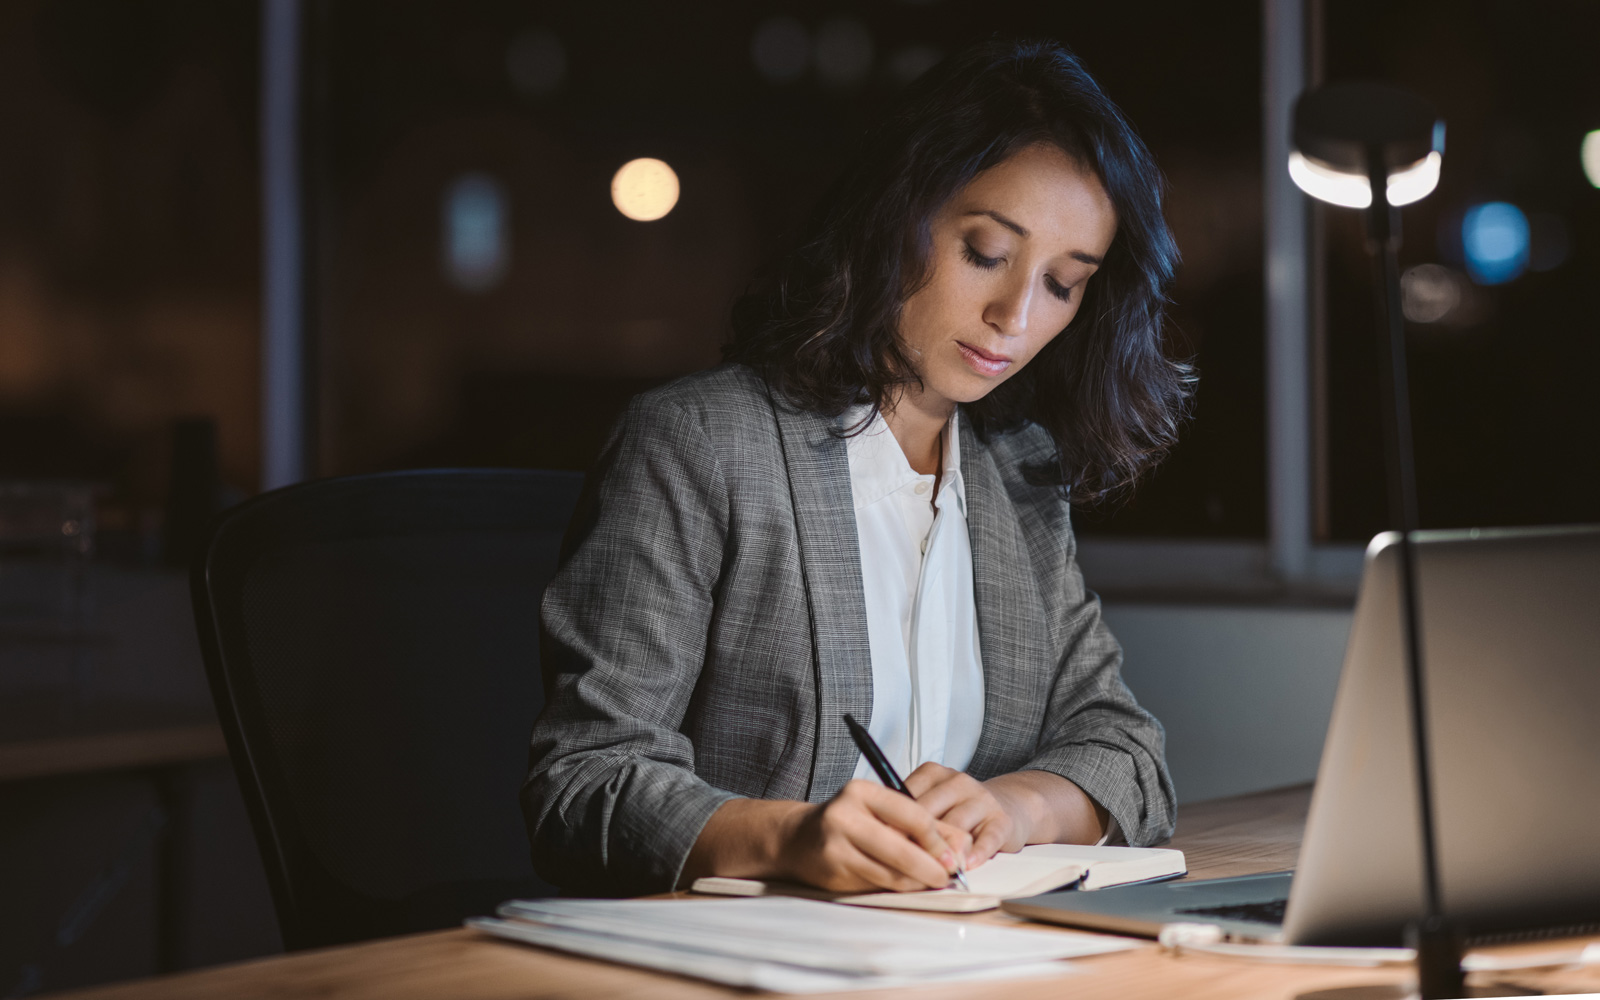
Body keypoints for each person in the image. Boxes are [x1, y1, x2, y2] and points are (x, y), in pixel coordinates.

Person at [522, 38, 1191, 898]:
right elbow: (582, 785)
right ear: (895, 215)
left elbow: (1130, 754)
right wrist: (789, 838)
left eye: (1062, 283)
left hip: (957, 956)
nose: (1013, 316)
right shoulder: (701, 444)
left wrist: (1015, 807)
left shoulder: (1016, 473)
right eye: (986, 253)